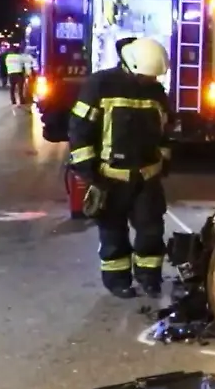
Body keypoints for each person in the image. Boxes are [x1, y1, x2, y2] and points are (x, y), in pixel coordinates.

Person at [68, 37, 173, 298]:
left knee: (151, 233)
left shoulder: (156, 91)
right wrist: (89, 171)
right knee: (113, 234)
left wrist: (165, 161)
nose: (151, 80)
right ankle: (117, 282)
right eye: (147, 76)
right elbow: (79, 130)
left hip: (147, 178)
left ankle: (149, 278)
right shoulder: (100, 84)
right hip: (110, 178)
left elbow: (166, 131)